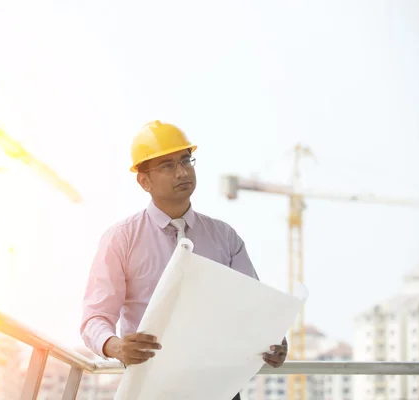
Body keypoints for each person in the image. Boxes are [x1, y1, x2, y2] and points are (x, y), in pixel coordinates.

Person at [80, 120, 288, 398]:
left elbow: (253, 309)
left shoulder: (225, 238)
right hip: (151, 387)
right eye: (167, 165)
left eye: (185, 161)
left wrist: (272, 341)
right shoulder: (121, 240)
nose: (181, 172)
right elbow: (94, 318)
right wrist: (116, 347)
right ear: (144, 181)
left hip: (219, 389)